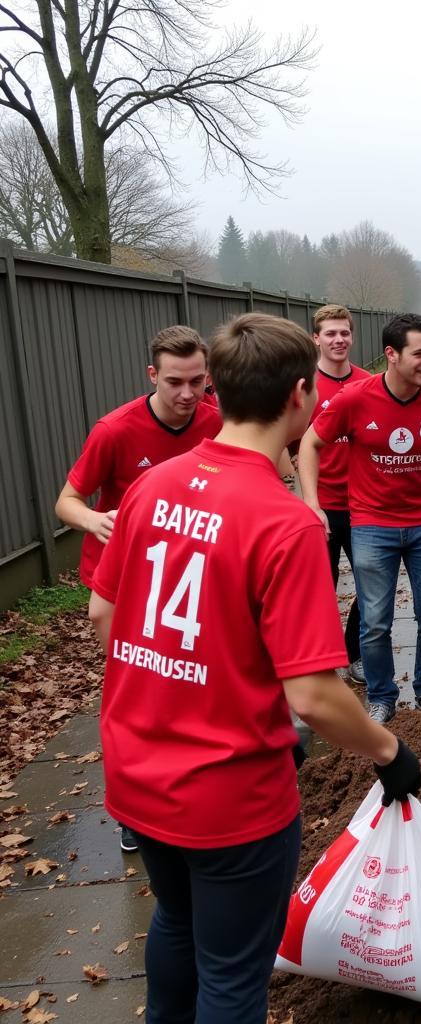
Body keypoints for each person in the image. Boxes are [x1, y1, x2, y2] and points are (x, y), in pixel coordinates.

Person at [87, 312, 421, 1023]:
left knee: (175, 923)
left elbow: (102, 615)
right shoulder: (287, 522)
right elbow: (312, 696)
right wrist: (389, 750)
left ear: (219, 388)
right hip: (229, 798)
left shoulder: (153, 486)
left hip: (137, 773)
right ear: (300, 396)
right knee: (235, 974)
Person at [56, 325, 221, 854]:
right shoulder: (115, 429)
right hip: (123, 581)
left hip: (188, 580)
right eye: (175, 382)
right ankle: (134, 809)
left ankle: (188, 790)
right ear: (153, 375)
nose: (188, 394)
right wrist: (94, 521)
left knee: (188, 689)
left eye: (198, 381)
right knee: (134, 696)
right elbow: (67, 501)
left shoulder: (215, 423)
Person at [298, 313, 421, 724]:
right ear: (391, 354)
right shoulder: (356, 398)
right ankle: (381, 696)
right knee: (375, 622)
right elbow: (311, 442)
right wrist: (311, 500)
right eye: (420, 353)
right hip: (372, 526)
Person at [309, 303, 372, 683]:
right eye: (330, 333)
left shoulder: (368, 383)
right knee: (320, 588)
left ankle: (356, 653)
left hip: (366, 505)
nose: (338, 340)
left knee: (372, 587)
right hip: (322, 506)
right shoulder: (303, 386)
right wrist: (306, 500)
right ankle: (318, 661)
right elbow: (288, 443)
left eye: (344, 333)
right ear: (316, 338)